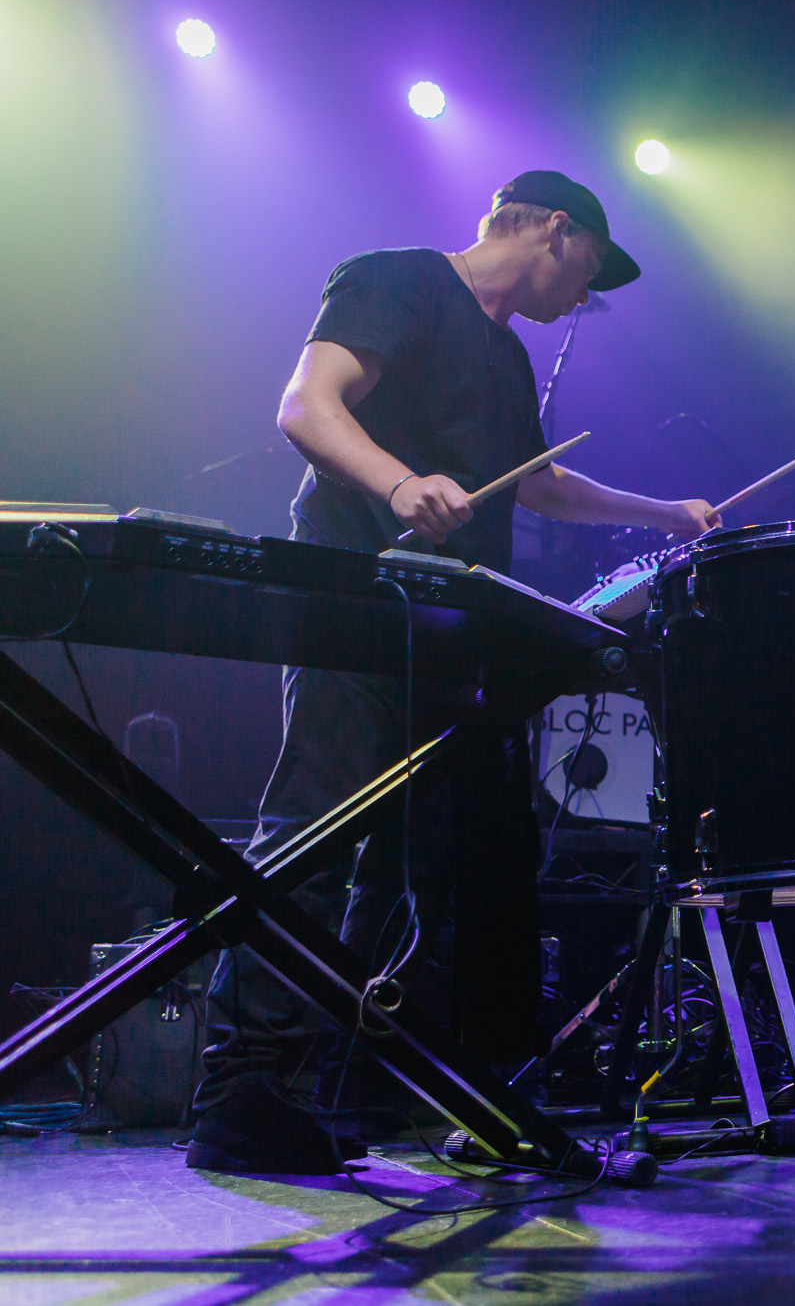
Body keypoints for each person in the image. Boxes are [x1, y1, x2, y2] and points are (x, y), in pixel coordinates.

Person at [188, 171, 724, 1173]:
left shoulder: (509, 357)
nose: (587, 297)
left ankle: (352, 1086)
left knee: (413, 871)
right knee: (314, 832)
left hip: (447, 633)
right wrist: (400, 484)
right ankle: (239, 1087)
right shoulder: (397, 280)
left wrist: (663, 513)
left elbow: (542, 486)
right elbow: (306, 407)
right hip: (353, 602)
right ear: (555, 230)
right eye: (591, 270)